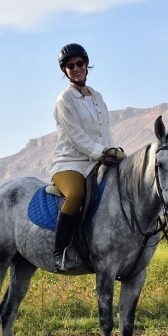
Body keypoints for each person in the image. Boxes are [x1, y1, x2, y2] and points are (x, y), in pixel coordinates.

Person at [48, 43, 125, 270]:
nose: (75, 68)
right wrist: (103, 153)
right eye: (70, 66)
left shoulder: (98, 97)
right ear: (65, 71)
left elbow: (105, 131)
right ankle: (60, 252)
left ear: (86, 64)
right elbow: (76, 137)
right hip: (69, 162)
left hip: (97, 159)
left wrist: (115, 152)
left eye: (79, 63)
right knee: (76, 194)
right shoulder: (65, 99)